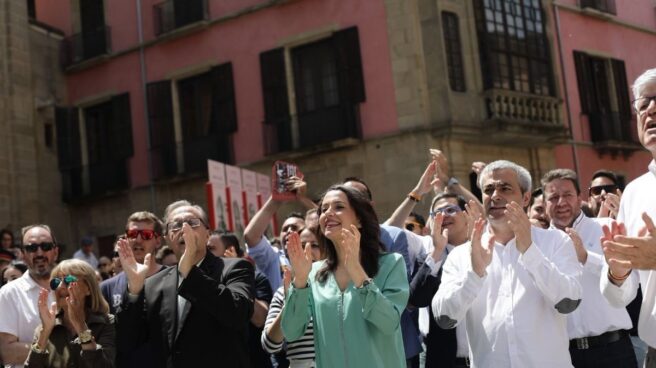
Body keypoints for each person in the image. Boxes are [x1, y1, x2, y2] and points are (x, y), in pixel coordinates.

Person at [432, 160, 582, 367]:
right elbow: (444, 317)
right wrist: (474, 274)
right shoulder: (462, 255)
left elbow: (569, 302)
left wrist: (530, 252)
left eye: (505, 188)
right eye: (488, 189)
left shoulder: (555, 242)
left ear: (526, 197)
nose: (495, 196)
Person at [115, 201, 254, 367]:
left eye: (192, 223)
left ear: (208, 234)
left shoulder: (234, 268)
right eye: (176, 225)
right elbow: (128, 341)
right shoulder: (154, 283)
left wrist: (190, 273)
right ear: (166, 238)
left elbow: (237, 315)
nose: (184, 229)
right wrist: (134, 290)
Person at [282, 185, 408, 367]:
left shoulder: (391, 264)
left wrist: (356, 270)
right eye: (323, 209)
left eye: (339, 207)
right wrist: (300, 281)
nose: (328, 213)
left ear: (359, 220)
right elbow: (292, 332)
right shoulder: (314, 273)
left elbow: (388, 323)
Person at [541, 169, 636, 367]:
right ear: (543, 203)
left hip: (613, 351)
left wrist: (586, 258)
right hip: (563, 356)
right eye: (553, 197)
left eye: (567, 195)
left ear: (579, 197)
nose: (561, 203)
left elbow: (629, 287)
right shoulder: (536, 244)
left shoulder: (606, 227)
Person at [600, 67, 656, 368]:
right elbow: (620, 296)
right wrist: (618, 273)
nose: (651, 110)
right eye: (643, 104)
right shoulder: (634, 193)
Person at [409, 193, 474, 368]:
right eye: (436, 213)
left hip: (486, 357)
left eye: (450, 210)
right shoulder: (429, 256)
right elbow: (416, 299)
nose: (443, 216)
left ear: (467, 215)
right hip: (444, 359)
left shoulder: (486, 250)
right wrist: (438, 250)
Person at [25, 259, 115, 367]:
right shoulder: (45, 328)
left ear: (88, 289)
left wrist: (81, 328)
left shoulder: (106, 323)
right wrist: (44, 333)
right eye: (56, 282)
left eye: (69, 280)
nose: (61, 287)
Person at [262, 226, 324, 368]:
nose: (307, 251)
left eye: (315, 245)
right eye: (300, 246)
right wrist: (291, 301)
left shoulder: (339, 286)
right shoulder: (281, 292)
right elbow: (270, 345)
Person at [0, 224, 59, 368]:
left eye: (45, 246)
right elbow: (8, 352)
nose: (39, 253)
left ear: (55, 252)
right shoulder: (9, 293)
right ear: (23, 255)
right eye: (32, 248)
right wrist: (61, 351)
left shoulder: (68, 288)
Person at [244, 176, 316, 292]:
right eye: (285, 229)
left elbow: (325, 224)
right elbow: (251, 236)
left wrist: (303, 199)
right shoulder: (274, 258)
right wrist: (276, 199)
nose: (289, 231)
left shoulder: (319, 255)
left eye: (295, 227)